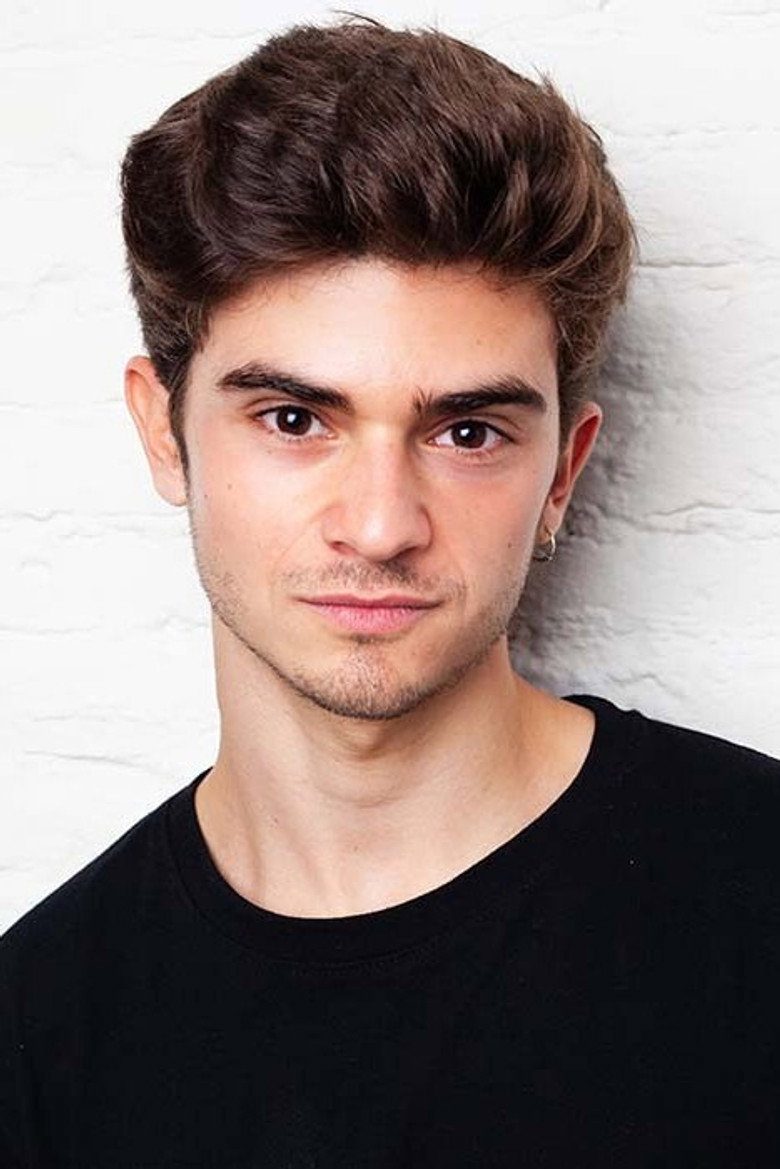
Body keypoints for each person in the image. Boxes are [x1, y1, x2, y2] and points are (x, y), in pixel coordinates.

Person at [2, 15, 779, 1167]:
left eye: (468, 431)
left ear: (564, 471)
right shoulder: (38, 1028)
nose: (380, 525)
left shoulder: (758, 898)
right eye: (294, 419)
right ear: (165, 432)